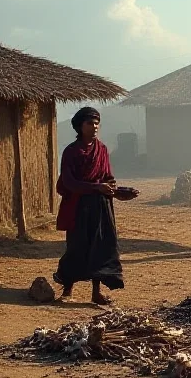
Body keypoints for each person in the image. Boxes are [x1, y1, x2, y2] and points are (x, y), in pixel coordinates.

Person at [53, 107, 138, 305]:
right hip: (79, 205)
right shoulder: (72, 152)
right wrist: (95, 187)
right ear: (80, 126)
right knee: (77, 246)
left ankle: (96, 292)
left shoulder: (102, 150)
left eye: (97, 123)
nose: (94, 127)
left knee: (101, 247)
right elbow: (68, 182)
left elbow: (108, 177)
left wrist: (118, 191)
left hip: (101, 206)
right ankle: (67, 289)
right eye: (90, 123)